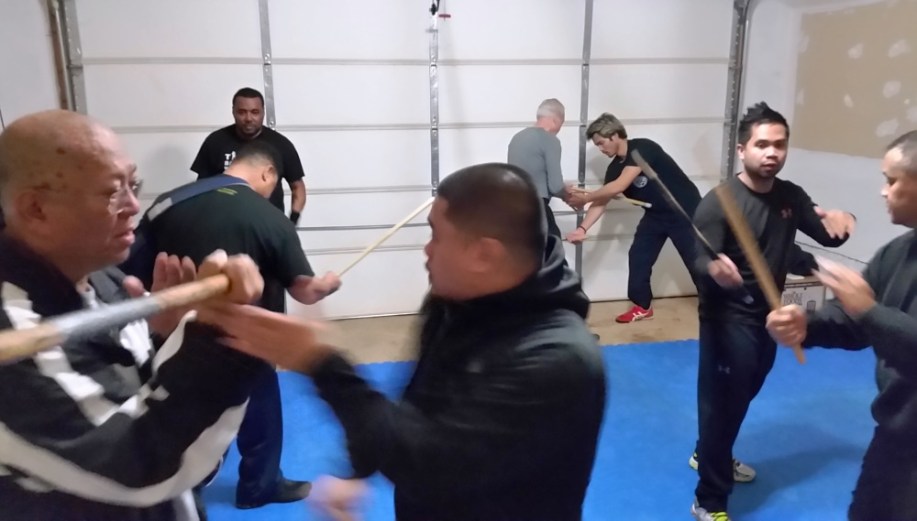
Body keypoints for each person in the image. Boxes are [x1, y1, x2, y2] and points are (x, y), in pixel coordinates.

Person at [195, 162, 608, 521]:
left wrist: (321, 362)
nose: (426, 251)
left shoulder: (559, 360)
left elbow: (432, 464)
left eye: (436, 236)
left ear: (484, 255)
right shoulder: (454, 302)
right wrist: (360, 468)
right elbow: (418, 404)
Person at [0, 109, 267, 521]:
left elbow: (133, 396)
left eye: (133, 184)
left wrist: (167, 339)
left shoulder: (103, 278)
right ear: (36, 209)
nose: (133, 205)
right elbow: (137, 465)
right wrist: (213, 338)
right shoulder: (14, 334)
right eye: (112, 192)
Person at [134, 140, 341, 509]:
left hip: (173, 334)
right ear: (268, 174)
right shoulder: (270, 217)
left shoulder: (167, 202)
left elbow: (133, 270)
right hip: (245, 337)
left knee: (176, 411)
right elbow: (304, 291)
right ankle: (259, 487)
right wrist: (326, 284)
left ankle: (179, 491)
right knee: (260, 410)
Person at [689, 102, 856, 521]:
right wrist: (714, 269)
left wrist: (845, 219)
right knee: (723, 403)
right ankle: (709, 500)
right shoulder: (719, 203)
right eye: (762, 144)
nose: (771, 153)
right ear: (742, 150)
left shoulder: (790, 197)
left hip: (771, 316)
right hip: (727, 317)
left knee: (745, 391)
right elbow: (699, 259)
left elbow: (826, 233)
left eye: (779, 145)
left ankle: (707, 452)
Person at [766, 129, 917, 521]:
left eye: (891, 181)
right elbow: (855, 319)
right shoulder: (898, 252)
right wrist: (807, 325)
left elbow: (869, 313)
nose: (883, 191)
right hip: (895, 435)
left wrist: (869, 312)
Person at [566, 112, 703, 323]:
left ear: (614, 135)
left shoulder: (642, 148)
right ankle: (642, 306)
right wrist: (582, 228)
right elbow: (602, 200)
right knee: (639, 256)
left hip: (684, 210)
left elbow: (619, 186)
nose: (601, 149)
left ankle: (718, 306)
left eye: (601, 143)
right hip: (656, 215)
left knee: (696, 261)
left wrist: (585, 198)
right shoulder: (615, 168)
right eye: (597, 145)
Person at [191, 87, 307, 223]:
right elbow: (201, 187)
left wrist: (293, 220)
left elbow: (297, 187)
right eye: (242, 112)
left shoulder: (281, 144)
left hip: (268, 224)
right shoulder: (215, 142)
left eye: (255, 112)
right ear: (233, 112)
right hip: (225, 223)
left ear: (263, 112)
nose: (248, 118)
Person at [507, 98, 574, 239]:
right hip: (537, 208)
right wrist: (566, 192)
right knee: (553, 246)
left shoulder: (517, 138)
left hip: (514, 208)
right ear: (556, 120)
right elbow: (555, 186)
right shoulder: (550, 140)